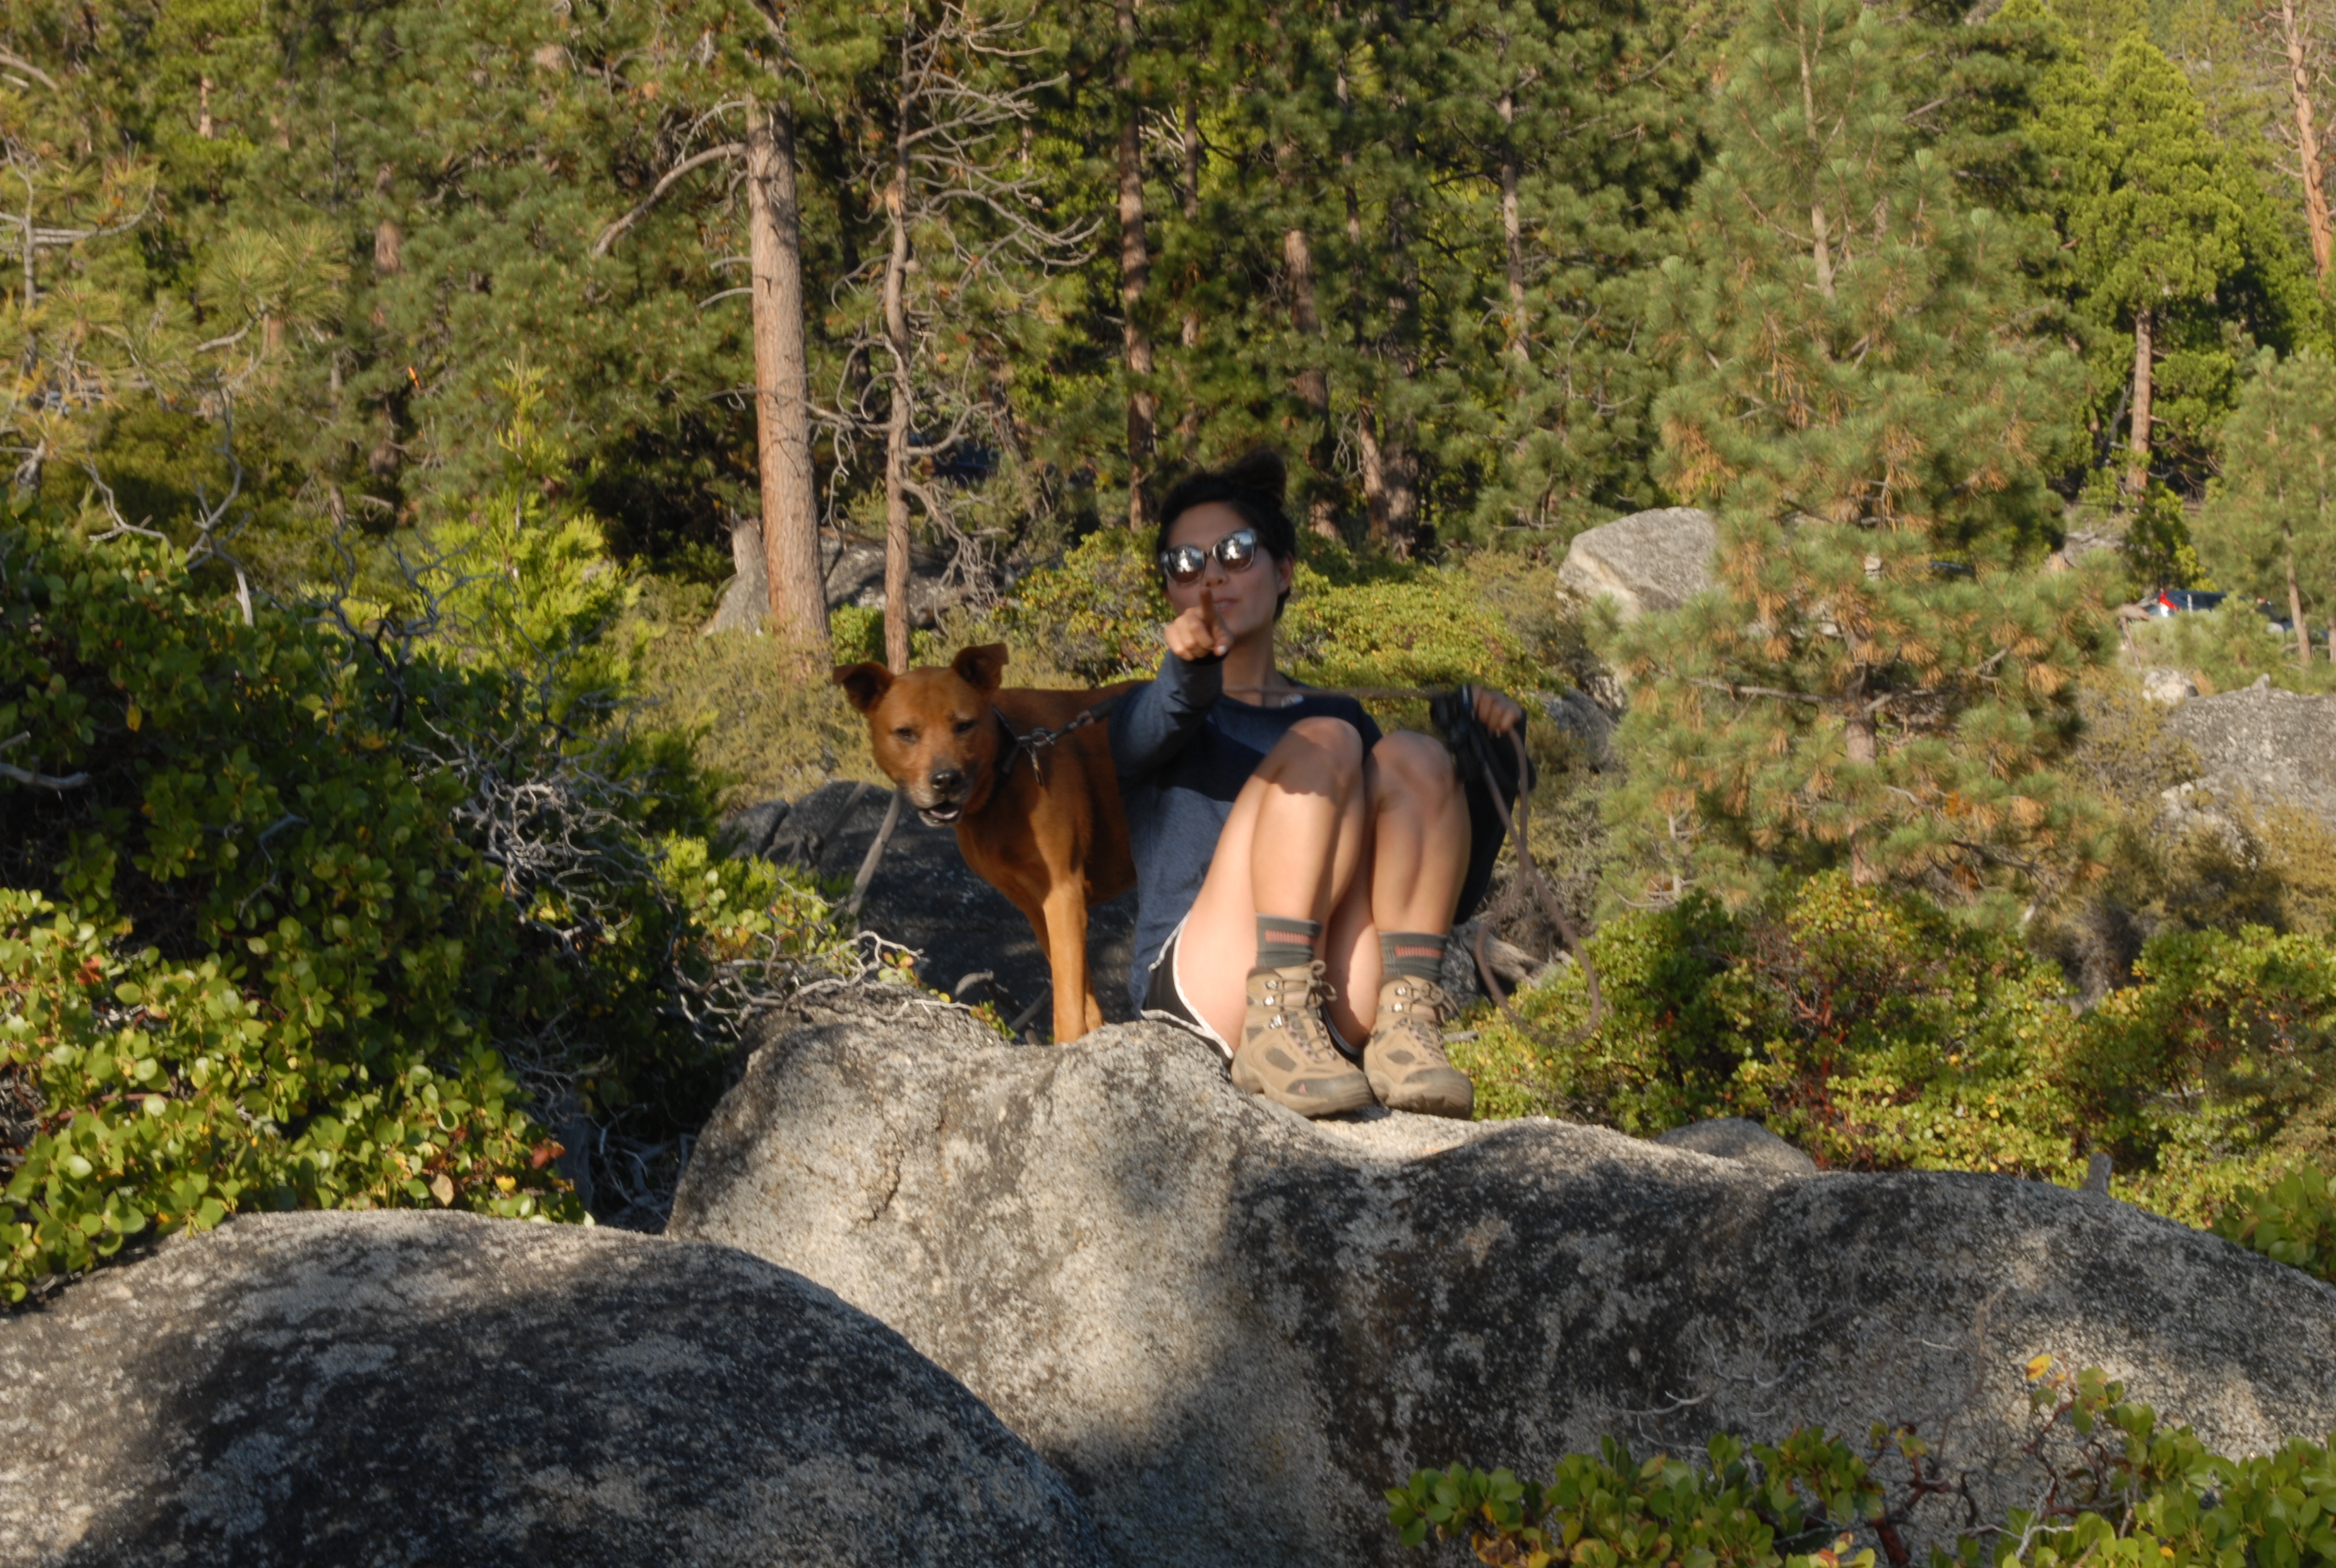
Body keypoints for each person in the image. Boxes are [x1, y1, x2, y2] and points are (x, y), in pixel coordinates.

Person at [1108, 449, 1526, 1120]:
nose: (1210, 574)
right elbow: (1150, 728)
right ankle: (1272, 1023)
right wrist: (1189, 669)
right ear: (1171, 594)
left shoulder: (1342, 718)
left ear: (1284, 572)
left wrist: (1494, 765)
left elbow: (1441, 897)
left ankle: (1406, 1028)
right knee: (1328, 739)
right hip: (1208, 994)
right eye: (1184, 564)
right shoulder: (1151, 709)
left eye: (1236, 552)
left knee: (1416, 756)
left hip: (1332, 1003)